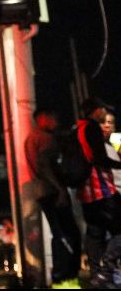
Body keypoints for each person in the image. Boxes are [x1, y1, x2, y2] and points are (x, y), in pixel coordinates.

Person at [24, 108, 81, 288]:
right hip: (53, 191)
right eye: (53, 117)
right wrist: (60, 189)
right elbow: (45, 166)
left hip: (41, 192)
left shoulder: (30, 138)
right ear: (43, 119)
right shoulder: (45, 139)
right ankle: (66, 276)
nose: (57, 121)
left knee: (59, 233)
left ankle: (59, 277)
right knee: (68, 233)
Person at [75, 98, 121, 289]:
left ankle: (99, 275)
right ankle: (106, 270)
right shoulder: (91, 128)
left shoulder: (76, 129)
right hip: (100, 189)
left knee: (95, 234)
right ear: (96, 111)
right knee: (116, 230)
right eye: (103, 115)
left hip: (86, 193)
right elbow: (100, 159)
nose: (106, 124)